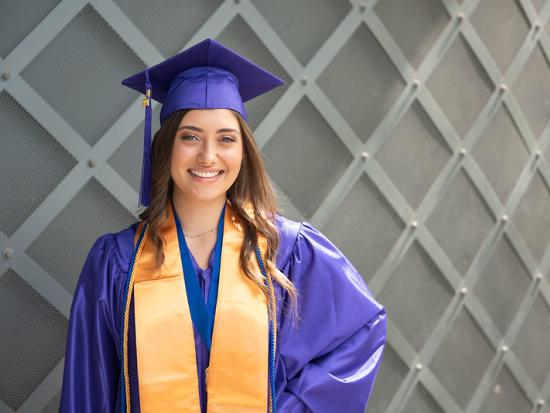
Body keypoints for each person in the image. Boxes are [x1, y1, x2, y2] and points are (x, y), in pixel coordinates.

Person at [59, 38, 386, 413]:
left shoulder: (286, 251)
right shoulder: (117, 262)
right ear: (166, 146)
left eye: (226, 139)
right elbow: (88, 392)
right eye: (190, 137)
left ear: (243, 151)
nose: (208, 156)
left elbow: (360, 333)